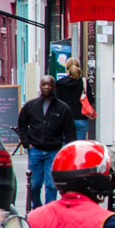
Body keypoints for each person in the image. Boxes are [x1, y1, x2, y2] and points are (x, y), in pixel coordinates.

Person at [17, 76, 76, 209]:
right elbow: (22, 126)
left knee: (51, 184)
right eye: (44, 84)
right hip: (35, 149)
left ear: (54, 86)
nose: (47, 87)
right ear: (40, 86)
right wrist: (27, 144)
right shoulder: (30, 106)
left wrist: (66, 151)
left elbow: (70, 131)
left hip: (54, 151)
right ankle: (37, 208)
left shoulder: (62, 108)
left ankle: (50, 210)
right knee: (35, 184)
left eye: (49, 85)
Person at [56, 58, 91, 141]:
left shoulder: (59, 83)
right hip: (81, 118)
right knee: (79, 146)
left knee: (65, 146)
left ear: (66, 68)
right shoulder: (84, 82)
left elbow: (56, 102)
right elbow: (90, 99)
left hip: (64, 119)